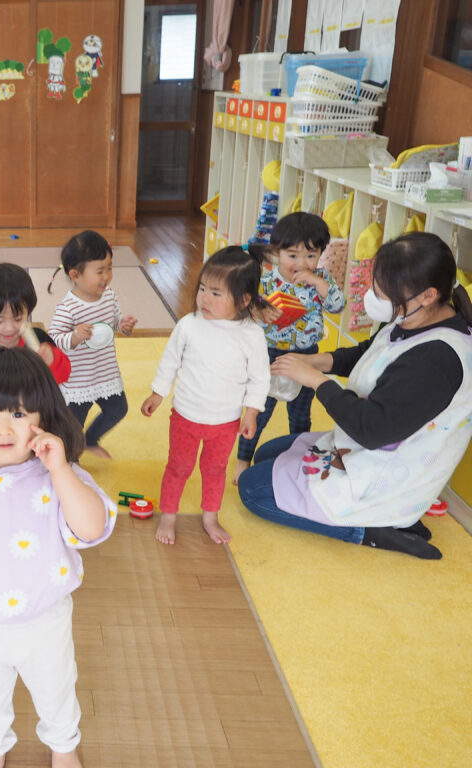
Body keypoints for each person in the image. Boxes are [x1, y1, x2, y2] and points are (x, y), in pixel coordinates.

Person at [0, 347, 116, 768]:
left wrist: (61, 469)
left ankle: (63, 746)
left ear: (43, 416)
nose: (3, 428)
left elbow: (91, 528)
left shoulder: (60, 476)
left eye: (18, 413)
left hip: (44, 617)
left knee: (56, 688)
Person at [237, 232, 472, 560]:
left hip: (385, 472)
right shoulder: (414, 315)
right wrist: (314, 361)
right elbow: (371, 352)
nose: (375, 294)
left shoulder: (437, 359)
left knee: (252, 489)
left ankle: (370, 530)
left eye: (385, 290)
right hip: (362, 444)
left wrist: (316, 381)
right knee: (267, 455)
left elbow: (371, 429)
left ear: (429, 294)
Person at [141, 246, 270, 546]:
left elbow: (259, 378)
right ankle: (168, 515)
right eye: (202, 289)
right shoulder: (188, 325)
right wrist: (158, 393)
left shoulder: (252, 335)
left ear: (244, 300)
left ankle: (210, 516)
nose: (204, 299)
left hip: (225, 422)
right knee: (178, 467)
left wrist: (251, 412)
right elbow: (170, 361)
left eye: (216, 293)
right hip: (185, 416)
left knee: (215, 470)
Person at [234, 212, 345, 483]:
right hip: (269, 353)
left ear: (320, 254)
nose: (301, 263)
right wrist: (259, 310)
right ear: (277, 252)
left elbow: (337, 306)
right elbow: (242, 308)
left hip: (307, 357)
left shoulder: (321, 278)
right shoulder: (266, 280)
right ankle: (242, 460)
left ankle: (297, 458)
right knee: (259, 409)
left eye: (311, 255)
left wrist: (320, 284)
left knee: (300, 413)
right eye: (292, 255)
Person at [48, 230, 138, 460]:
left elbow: (113, 322)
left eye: (109, 268)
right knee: (73, 426)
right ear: (75, 275)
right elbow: (54, 338)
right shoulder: (68, 307)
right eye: (99, 271)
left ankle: (90, 440)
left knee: (118, 410)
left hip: (105, 372)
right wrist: (75, 336)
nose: (107, 276)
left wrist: (123, 325)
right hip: (78, 380)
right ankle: (70, 461)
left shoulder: (109, 296)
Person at [0, 263, 71, 384]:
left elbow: (63, 375)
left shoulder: (40, 339)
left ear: (28, 311)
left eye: (18, 318)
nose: (9, 328)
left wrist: (52, 360)